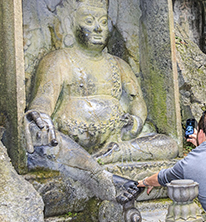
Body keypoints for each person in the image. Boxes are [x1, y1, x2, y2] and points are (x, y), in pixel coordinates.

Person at [24, 0, 177, 204]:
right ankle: (98, 173)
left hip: (117, 138)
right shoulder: (58, 59)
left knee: (170, 145)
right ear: (72, 25)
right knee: (44, 140)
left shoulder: (119, 64)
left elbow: (137, 101)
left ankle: (107, 158)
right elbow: (43, 98)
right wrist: (40, 116)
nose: (97, 28)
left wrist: (136, 121)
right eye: (89, 21)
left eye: (103, 22)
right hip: (71, 140)